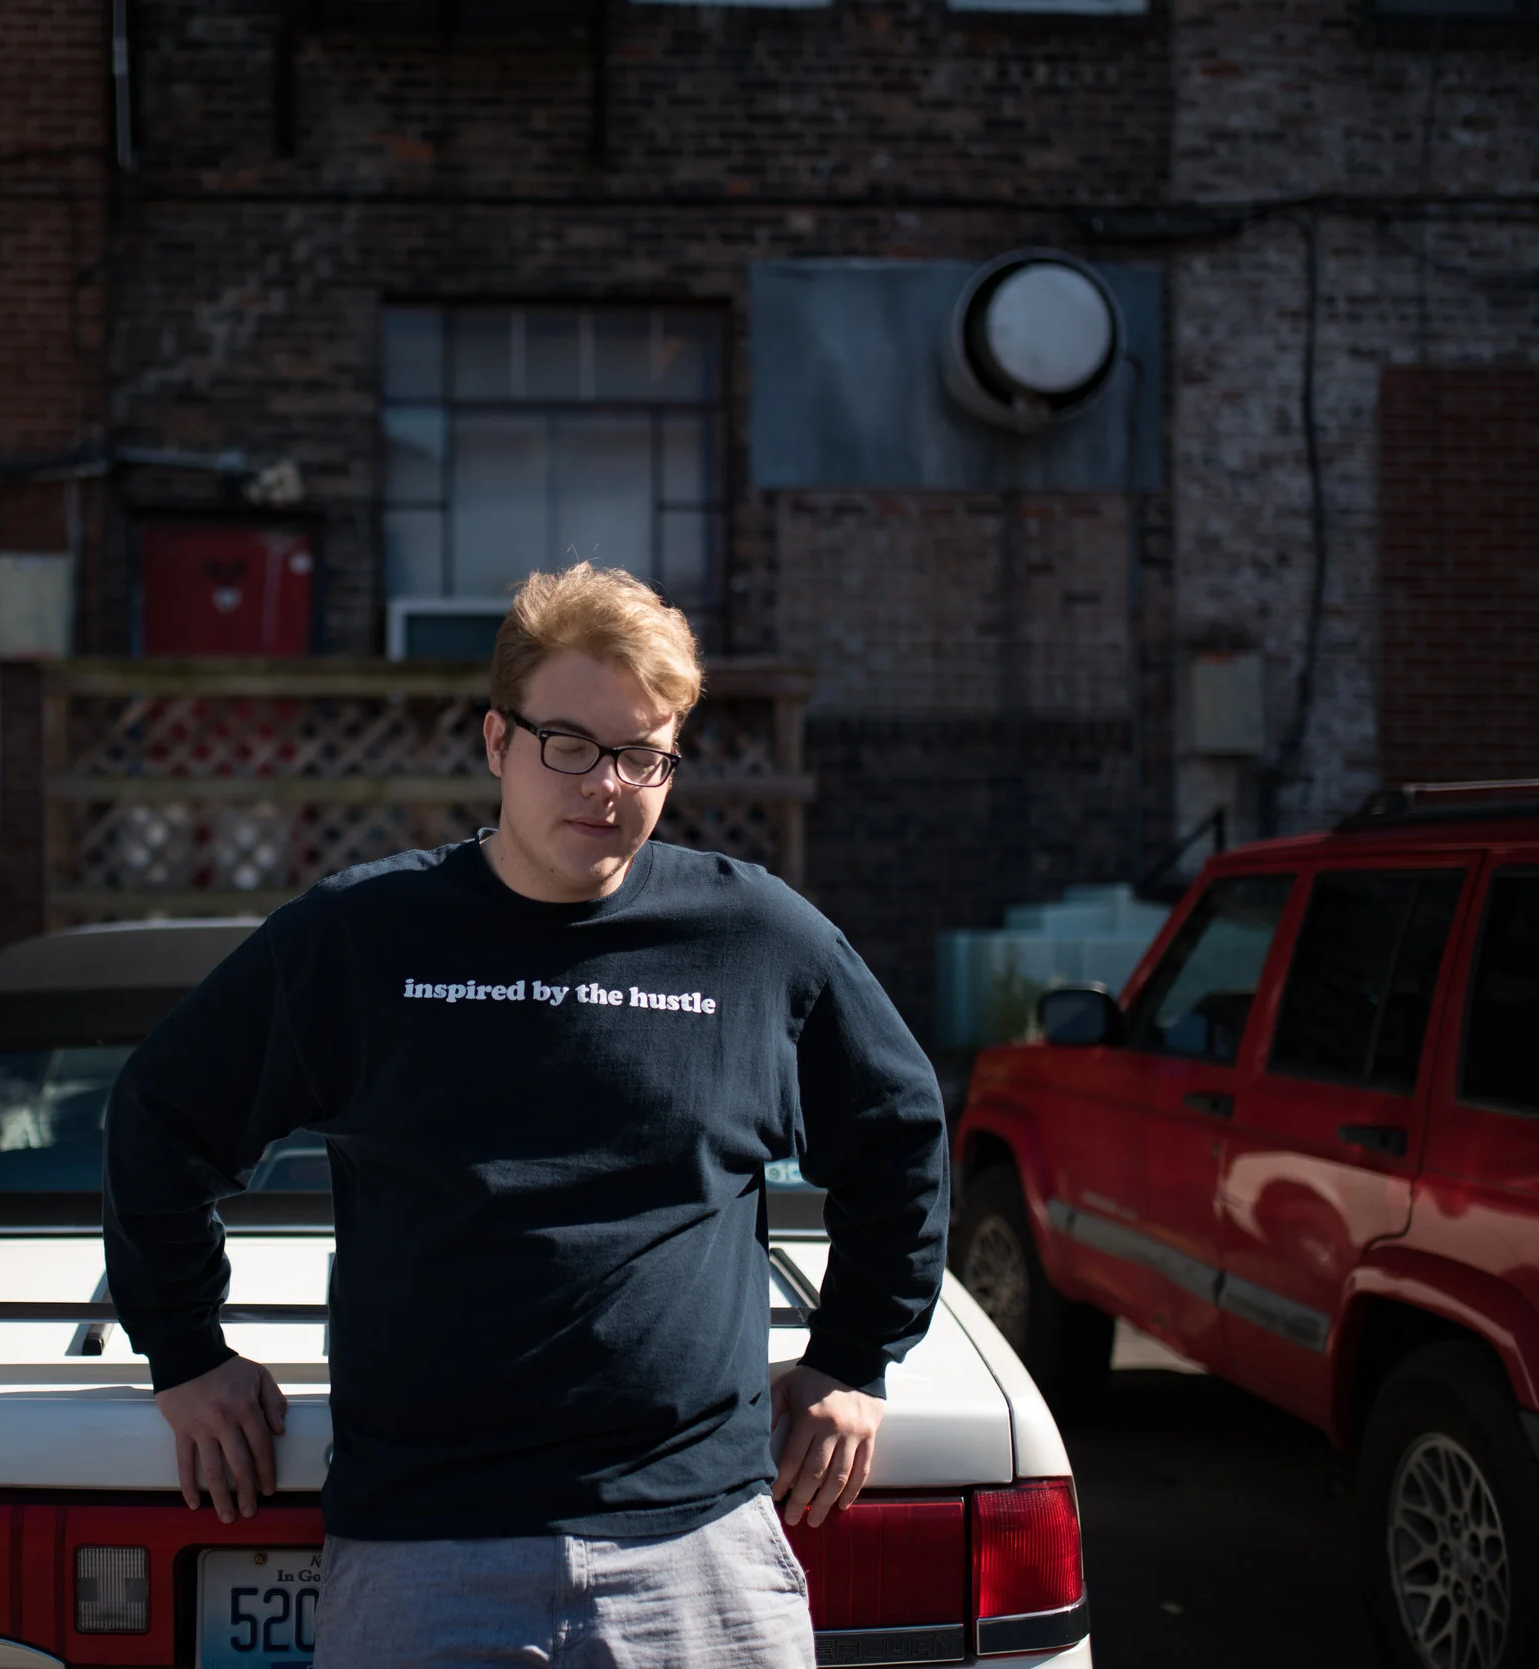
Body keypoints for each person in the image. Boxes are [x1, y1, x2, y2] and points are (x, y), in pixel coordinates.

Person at [104, 562, 949, 1668]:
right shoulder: (362, 938)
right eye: (571, 745)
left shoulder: (754, 941)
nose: (606, 785)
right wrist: (184, 1352)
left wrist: (853, 1357)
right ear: (498, 741)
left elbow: (899, 1135)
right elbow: (162, 1113)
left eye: (643, 755)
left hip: (697, 1544)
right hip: (423, 1553)